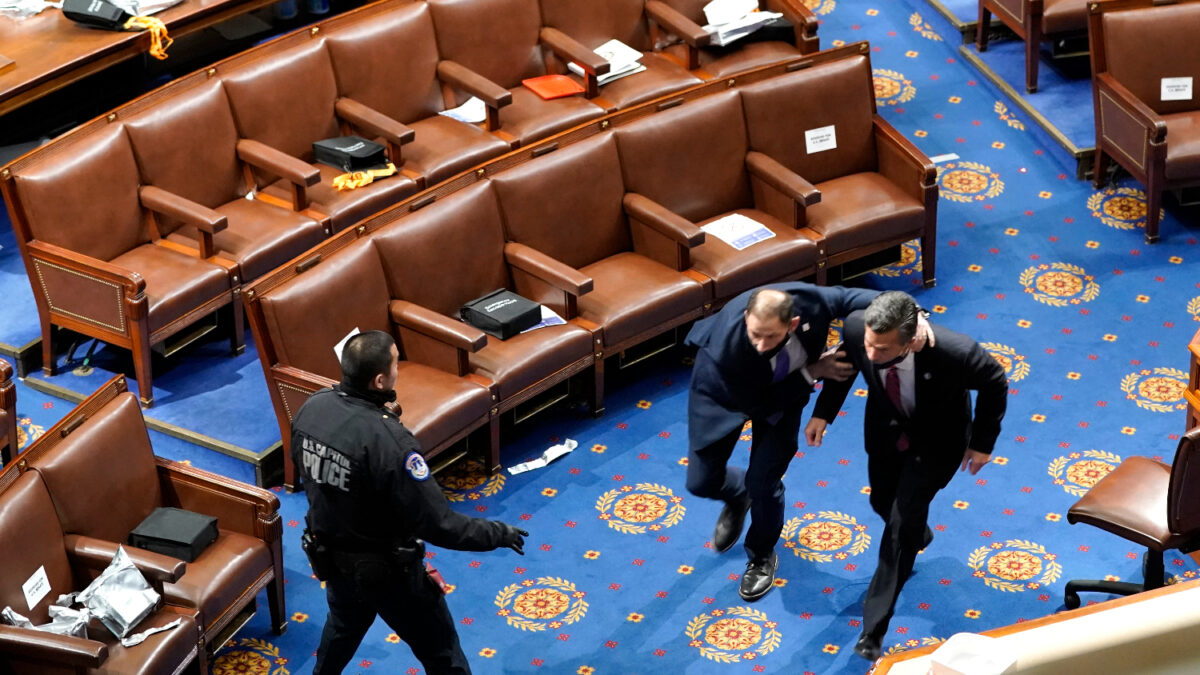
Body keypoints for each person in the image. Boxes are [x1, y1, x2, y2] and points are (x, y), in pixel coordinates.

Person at [291, 330, 529, 675]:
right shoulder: (390, 442)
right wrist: (497, 533)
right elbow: (440, 524)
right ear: (379, 380)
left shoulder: (312, 408)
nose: (398, 369)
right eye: (396, 362)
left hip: (330, 556)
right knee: (442, 654)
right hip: (387, 572)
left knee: (341, 630)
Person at [805, 291, 1008, 661]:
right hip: (885, 433)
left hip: (937, 444)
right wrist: (824, 411)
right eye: (869, 344)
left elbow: (995, 381)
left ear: (912, 340)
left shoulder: (956, 352)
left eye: (882, 350)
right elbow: (846, 366)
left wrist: (982, 443)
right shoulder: (857, 329)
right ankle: (918, 532)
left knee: (899, 526)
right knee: (881, 500)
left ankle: (873, 628)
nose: (872, 355)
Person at [684, 282, 886, 602]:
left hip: (785, 398)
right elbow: (757, 403)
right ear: (746, 317)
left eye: (772, 336)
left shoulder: (811, 302)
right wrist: (812, 372)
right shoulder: (726, 348)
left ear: (792, 324)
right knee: (700, 482)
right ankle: (737, 494)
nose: (762, 345)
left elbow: (854, 298)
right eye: (755, 334)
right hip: (724, 399)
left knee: (763, 482)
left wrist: (909, 313)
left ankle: (762, 554)